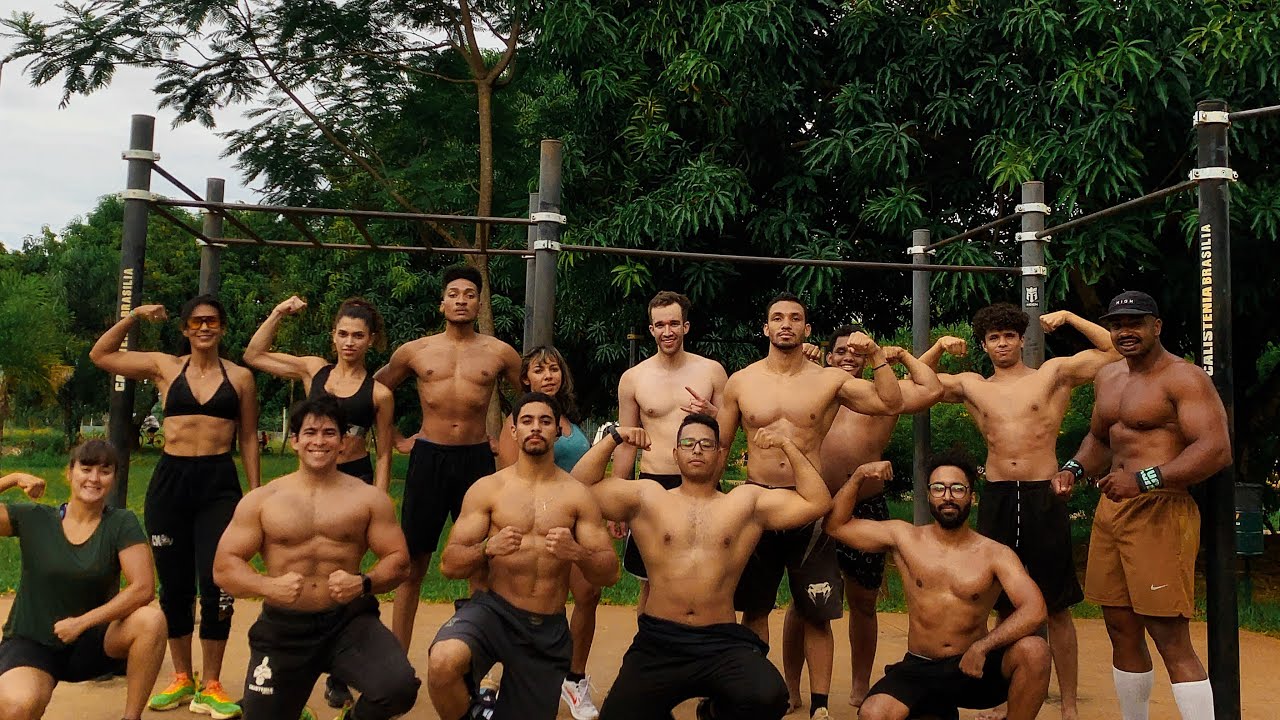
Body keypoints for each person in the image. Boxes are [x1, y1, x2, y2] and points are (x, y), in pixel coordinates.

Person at [924, 303, 1120, 720]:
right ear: (984, 344)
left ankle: (1068, 702)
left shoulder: (1052, 374)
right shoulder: (973, 384)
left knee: (1056, 605)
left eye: (1009, 336)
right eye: (994, 338)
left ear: (1021, 339)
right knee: (996, 601)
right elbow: (916, 383)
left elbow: (1113, 351)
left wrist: (1068, 318)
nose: (1002, 344)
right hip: (995, 492)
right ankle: (997, 697)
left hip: (1042, 492)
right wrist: (940, 345)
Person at [715, 292, 902, 718]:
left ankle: (819, 706)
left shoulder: (827, 380)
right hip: (758, 506)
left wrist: (875, 355)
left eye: (795, 318)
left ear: (807, 330)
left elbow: (890, 402)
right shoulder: (741, 381)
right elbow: (722, 445)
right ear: (765, 328)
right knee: (755, 610)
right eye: (777, 317)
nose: (786, 324)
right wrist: (707, 502)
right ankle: (755, 695)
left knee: (816, 612)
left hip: (808, 507)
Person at [572, 414, 830, 720]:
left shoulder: (745, 503)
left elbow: (817, 501)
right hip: (660, 641)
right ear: (675, 453)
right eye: (688, 443)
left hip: (720, 640)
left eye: (707, 444)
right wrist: (615, 437)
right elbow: (577, 487)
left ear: (721, 455)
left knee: (770, 697)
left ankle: (712, 712)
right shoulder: (647, 497)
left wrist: (787, 444)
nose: (697, 450)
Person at [1052, 291, 1230, 720]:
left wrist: (1145, 479)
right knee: (1120, 627)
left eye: (1135, 323)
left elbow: (1216, 448)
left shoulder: (1183, 378)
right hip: (1113, 511)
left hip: (1161, 508)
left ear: (1157, 326)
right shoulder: (1108, 377)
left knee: (1169, 633)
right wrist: (1073, 469)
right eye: (1117, 324)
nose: (1125, 332)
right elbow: (1099, 439)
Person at [90, 295, 260, 718]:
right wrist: (132, 316)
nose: (205, 328)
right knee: (175, 585)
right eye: (197, 322)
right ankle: (183, 676)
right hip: (171, 484)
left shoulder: (240, 378)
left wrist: (257, 495)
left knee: (216, 580)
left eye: (213, 322)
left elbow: (248, 438)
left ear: (222, 328)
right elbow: (101, 355)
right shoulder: (166, 366)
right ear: (185, 329)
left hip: (218, 484)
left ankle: (213, 683)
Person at [213, 396, 419, 720]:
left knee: (398, 687)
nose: (319, 441)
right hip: (284, 627)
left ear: (343, 441)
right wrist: (268, 586)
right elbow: (225, 567)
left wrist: (363, 583)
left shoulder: (368, 499)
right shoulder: (262, 501)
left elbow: (399, 561)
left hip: (349, 621)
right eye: (310, 433)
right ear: (294, 440)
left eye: (328, 433)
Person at [782, 325, 944, 715]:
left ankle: (860, 685)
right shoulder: (815, 392)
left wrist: (901, 354)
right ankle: (791, 688)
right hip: (815, 505)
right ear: (830, 356)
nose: (848, 357)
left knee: (864, 602)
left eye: (856, 352)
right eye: (840, 351)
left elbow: (932, 389)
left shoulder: (881, 395)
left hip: (865, 507)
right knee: (803, 603)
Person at [426, 392, 618, 720]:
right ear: (513, 431)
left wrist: (577, 553)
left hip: (545, 627)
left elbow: (609, 573)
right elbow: (449, 564)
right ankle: (478, 713)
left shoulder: (577, 496)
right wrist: (488, 549)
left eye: (545, 421)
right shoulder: (488, 489)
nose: (535, 428)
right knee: (443, 662)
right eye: (526, 421)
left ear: (558, 430)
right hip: (492, 613)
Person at [825, 452, 1051, 720]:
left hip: (973, 666)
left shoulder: (995, 554)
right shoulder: (904, 538)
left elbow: (1035, 609)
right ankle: (935, 709)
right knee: (874, 714)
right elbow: (836, 525)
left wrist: (982, 647)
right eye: (938, 488)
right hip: (920, 667)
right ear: (929, 495)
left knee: (1035, 651)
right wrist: (860, 475)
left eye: (957, 488)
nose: (948, 496)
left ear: (972, 497)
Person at [374, 264, 523, 650]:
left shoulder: (500, 353)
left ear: (479, 302)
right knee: (412, 564)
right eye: (453, 294)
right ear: (442, 303)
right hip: (428, 460)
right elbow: (373, 391)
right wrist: (397, 438)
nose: (461, 300)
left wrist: (507, 442)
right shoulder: (415, 351)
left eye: (469, 295)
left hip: (476, 462)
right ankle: (397, 662)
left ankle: (476, 657)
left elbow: (532, 395)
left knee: (479, 563)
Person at [0, 441, 167, 720]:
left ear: (114, 478)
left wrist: (81, 623)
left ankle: (131, 717)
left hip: (94, 640)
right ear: (69, 473)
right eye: (86, 468)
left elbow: (143, 588)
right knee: (18, 705)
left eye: (104, 471)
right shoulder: (34, 518)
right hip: (34, 642)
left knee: (152, 622)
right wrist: (14, 478)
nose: (94, 478)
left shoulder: (120, 523)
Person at [495, 346, 600, 720]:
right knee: (529, 599)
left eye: (554, 369)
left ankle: (574, 679)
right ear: (526, 379)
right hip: (535, 522)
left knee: (588, 593)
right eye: (539, 371)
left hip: (578, 520)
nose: (548, 376)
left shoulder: (567, 419)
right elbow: (511, 478)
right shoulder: (520, 420)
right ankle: (507, 678)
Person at [612, 290, 728, 615]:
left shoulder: (712, 372)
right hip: (653, 484)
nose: (667, 331)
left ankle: (703, 654)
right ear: (651, 329)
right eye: (660, 324)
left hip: (702, 483)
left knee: (706, 576)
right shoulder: (633, 378)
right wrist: (619, 501)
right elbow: (626, 441)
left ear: (686, 326)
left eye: (674, 323)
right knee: (652, 581)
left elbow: (731, 433)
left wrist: (712, 414)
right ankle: (649, 657)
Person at [244, 296, 394, 494]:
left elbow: (384, 455)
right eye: (343, 334)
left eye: (358, 335)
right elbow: (253, 355)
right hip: (312, 474)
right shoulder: (314, 370)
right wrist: (278, 312)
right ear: (334, 336)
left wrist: (380, 499)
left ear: (370, 339)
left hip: (355, 477)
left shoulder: (379, 394)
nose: (349, 342)